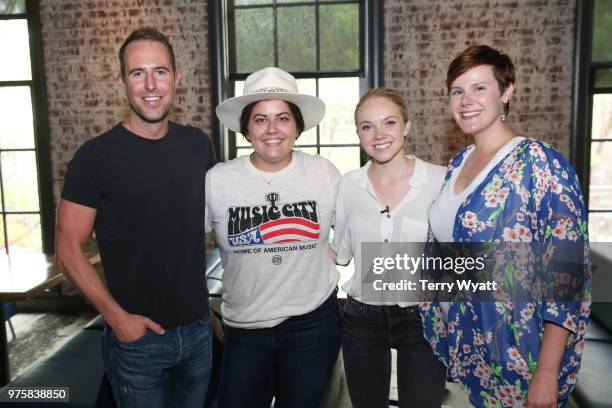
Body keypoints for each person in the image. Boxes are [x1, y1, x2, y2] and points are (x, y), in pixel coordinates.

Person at [55, 27, 216, 407]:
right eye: (137, 73)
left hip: (197, 333)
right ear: (122, 82)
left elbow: (222, 224)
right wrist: (117, 319)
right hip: (136, 340)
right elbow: (67, 249)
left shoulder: (198, 146)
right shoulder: (95, 157)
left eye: (159, 71)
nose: (150, 84)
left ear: (176, 78)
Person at [424, 45, 591, 407]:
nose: (466, 100)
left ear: (507, 91)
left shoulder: (540, 164)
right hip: (473, 349)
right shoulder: (459, 162)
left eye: (479, 88)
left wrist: (546, 374)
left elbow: (567, 278)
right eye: (457, 91)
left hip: (520, 356)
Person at [207, 66, 341, 408]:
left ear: (297, 126)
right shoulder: (217, 180)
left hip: (312, 326)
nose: (272, 129)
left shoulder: (322, 173)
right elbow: (177, 245)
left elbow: (363, 223)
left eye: (282, 118)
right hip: (244, 329)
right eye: (260, 119)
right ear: (246, 129)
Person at [331, 87, 447, 408]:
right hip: (361, 319)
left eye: (389, 123)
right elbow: (339, 254)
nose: (378, 135)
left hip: (422, 319)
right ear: (358, 133)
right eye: (367, 126)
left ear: (407, 126)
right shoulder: (348, 186)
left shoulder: (441, 181)